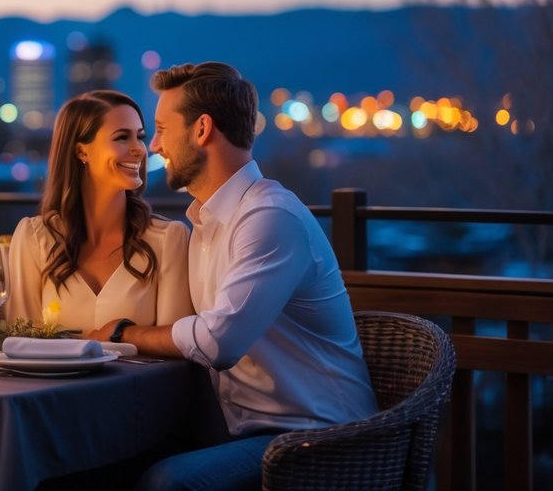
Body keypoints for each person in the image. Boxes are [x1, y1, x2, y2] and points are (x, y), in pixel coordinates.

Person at [88, 63, 377, 491]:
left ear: (202, 129)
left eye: (164, 129)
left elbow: (216, 342)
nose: (159, 145)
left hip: (319, 439)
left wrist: (121, 331)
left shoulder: (268, 217)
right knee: (106, 460)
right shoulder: (207, 224)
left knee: (167, 482)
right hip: (249, 432)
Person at [8, 89, 192, 333]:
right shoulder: (34, 238)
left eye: (140, 136)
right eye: (122, 138)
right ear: (82, 151)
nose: (139, 149)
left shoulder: (168, 240)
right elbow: (20, 340)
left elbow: (175, 348)